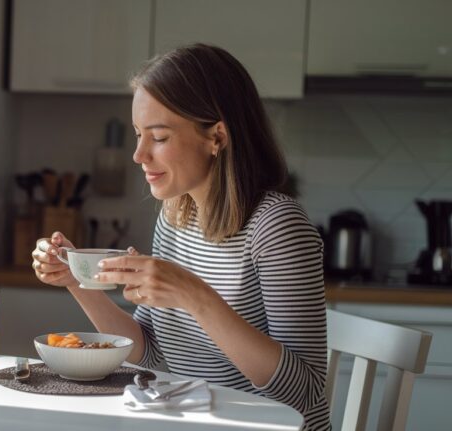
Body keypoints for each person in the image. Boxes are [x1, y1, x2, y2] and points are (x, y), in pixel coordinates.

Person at [30, 43, 329, 430]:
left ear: (216, 137)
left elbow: (303, 392)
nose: (138, 155)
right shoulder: (176, 216)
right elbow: (148, 353)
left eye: (158, 137)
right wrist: (77, 280)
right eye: (139, 135)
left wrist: (193, 295)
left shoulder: (276, 226)